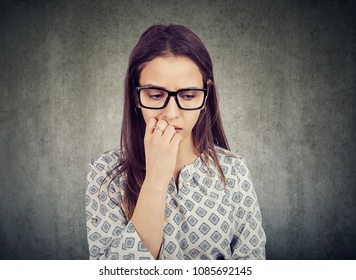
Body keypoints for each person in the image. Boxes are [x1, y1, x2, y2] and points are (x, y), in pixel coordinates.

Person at [85, 24, 266, 260]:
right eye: (156, 95)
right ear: (136, 96)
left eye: (188, 96)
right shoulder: (105, 173)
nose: (171, 113)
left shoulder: (233, 172)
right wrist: (156, 180)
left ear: (205, 95)